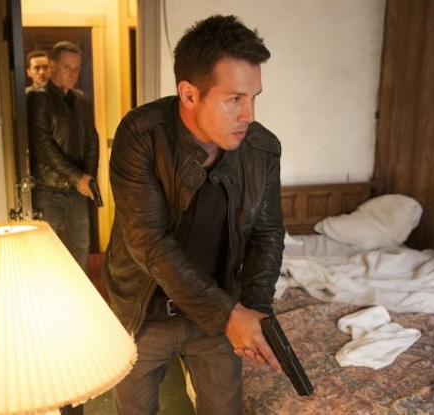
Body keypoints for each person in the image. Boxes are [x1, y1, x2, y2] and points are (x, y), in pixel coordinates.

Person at [104, 15, 285, 415]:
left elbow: (267, 232)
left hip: (215, 315)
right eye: (234, 99)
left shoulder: (262, 149)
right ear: (189, 94)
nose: (249, 115)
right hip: (144, 313)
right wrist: (230, 315)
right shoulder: (141, 135)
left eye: (253, 97)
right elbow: (148, 242)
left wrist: (256, 311)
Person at [27, 41, 99, 271]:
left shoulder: (82, 100)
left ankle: (78, 294)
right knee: (44, 253)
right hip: (49, 189)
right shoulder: (38, 99)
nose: (73, 73)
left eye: (76, 68)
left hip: (77, 191)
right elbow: (43, 145)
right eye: (67, 67)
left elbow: (92, 139)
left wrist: (88, 177)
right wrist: (78, 177)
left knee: (81, 248)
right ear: (53, 66)